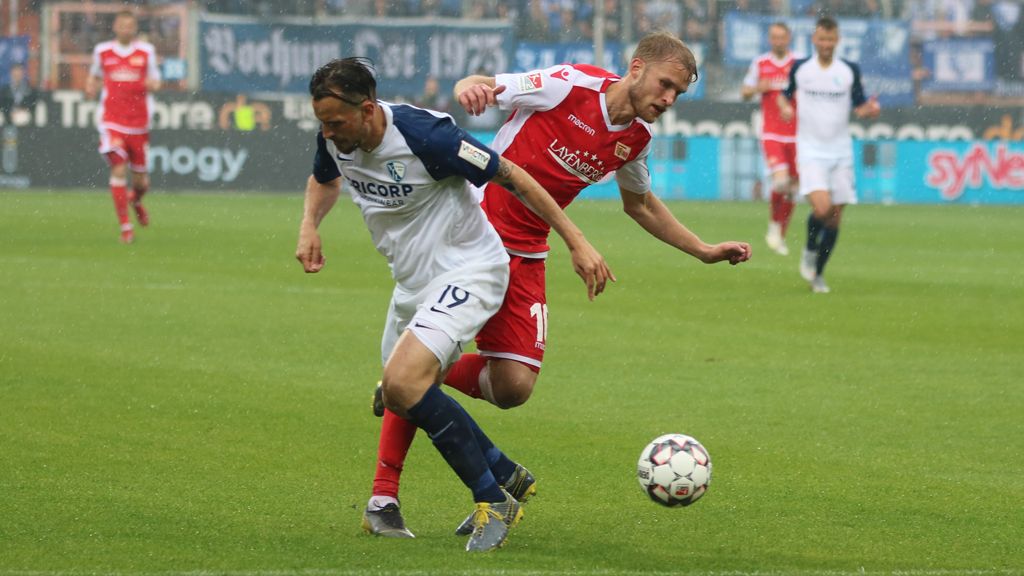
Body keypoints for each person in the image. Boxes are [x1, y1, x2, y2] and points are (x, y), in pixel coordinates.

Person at [365, 31, 753, 538]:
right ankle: (383, 497)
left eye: (679, 94)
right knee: (422, 370)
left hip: (528, 251)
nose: (668, 99)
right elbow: (485, 85)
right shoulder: (568, 85)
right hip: (472, 237)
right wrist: (470, 88)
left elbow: (639, 204)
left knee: (513, 387)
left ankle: (405, 374)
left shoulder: (636, 138)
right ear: (636, 68)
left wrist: (702, 250)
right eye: (665, 85)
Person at [297, 57, 612, 551]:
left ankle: (492, 499)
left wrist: (576, 240)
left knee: (402, 382)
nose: (328, 132)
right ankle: (502, 472)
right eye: (322, 122)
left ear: (368, 108)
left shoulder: (429, 137)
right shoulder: (335, 137)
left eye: (336, 122)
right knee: (404, 394)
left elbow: (514, 176)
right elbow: (324, 177)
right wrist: (309, 226)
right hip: (412, 284)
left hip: (471, 270)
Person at [778, 17, 880, 294]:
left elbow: (859, 105)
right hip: (811, 150)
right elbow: (783, 95)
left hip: (841, 152)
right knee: (822, 209)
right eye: (821, 39)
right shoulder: (801, 69)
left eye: (830, 39)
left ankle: (818, 275)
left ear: (837, 40)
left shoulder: (849, 71)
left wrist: (868, 111)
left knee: (835, 218)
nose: (826, 44)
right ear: (814, 39)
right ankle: (810, 250)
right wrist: (785, 107)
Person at [84, 10, 162, 244]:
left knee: (141, 182)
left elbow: (157, 82)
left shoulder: (146, 52)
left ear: (134, 28)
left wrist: (153, 84)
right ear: (115, 27)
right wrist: (90, 87)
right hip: (112, 121)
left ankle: (136, 200)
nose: (126, 29)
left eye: (130, 25)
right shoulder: (103, 51)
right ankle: (126, 228)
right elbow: (94, 77)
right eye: (122, 25)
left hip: (139, 124)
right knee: (118, 169)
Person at [741, 22, 798, 256]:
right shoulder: (760, 63)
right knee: (782, 182)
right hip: (772, 132)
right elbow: (744, 92)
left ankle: (780, 234)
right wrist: (757, 88)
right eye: (774, 37)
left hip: (798, 134)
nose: (778, 41)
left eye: (782, 37)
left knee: (794, 189)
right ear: (769, 39)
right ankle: (774, 226)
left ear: (789, 38)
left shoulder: (799, 63)